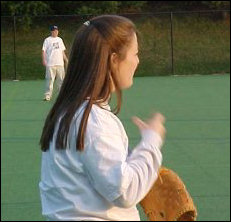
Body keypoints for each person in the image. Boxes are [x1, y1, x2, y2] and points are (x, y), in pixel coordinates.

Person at [39, 15, 166, 221]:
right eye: (135, 54)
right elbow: (124, 191)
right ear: (114, 60)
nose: (137, 61)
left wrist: (136, 159)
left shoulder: (68, 112)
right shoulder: (95, 122)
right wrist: (151, 142)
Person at [42, 25, 68, 101]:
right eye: (54, 31)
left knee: (61, 80)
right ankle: (48, 96)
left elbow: (62, 51)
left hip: (60, 63)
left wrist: (66, 59)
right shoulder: (47, 40)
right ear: (51, 32)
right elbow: (43, 51)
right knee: (50, 80)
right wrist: (43, 60)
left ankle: (61, 96)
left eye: (57, 30)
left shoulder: (60, 40)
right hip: (50, 64)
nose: (56, 32)